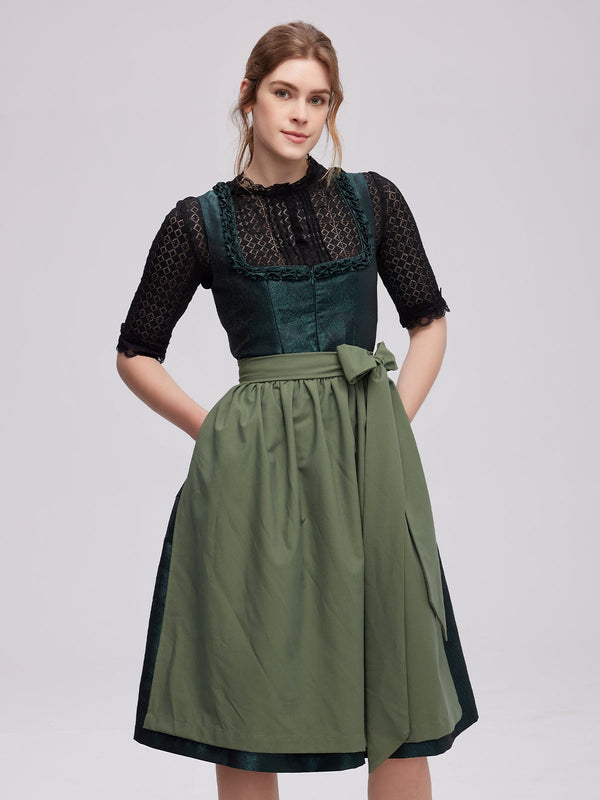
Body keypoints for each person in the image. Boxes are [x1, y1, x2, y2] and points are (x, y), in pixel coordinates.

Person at [116, 20, 478, 800]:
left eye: (319, 99)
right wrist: (212, 429)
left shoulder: (373, 200)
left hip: (369, 461)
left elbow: (429, 321)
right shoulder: (198, 222)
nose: (301, 113)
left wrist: (391, 424)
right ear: (249, 96)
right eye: (285, 92)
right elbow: (135, 351)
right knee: (249, 693)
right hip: (251, 473)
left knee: (397, 681)